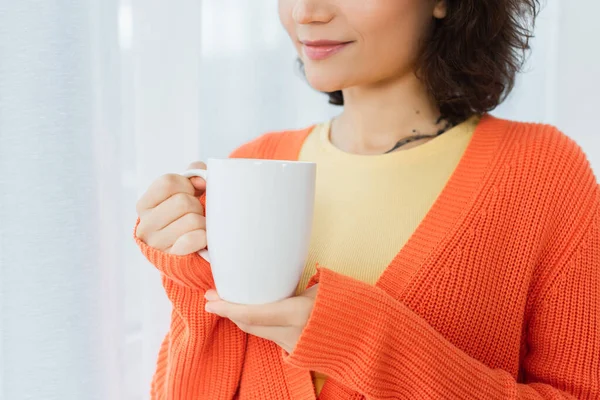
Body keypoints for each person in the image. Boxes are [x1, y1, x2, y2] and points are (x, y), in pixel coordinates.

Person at [134, 0, 600, 398]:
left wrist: (360, 339)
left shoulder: (543, 173)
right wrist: (189, 274)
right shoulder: (252, 164)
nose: (306, 13)